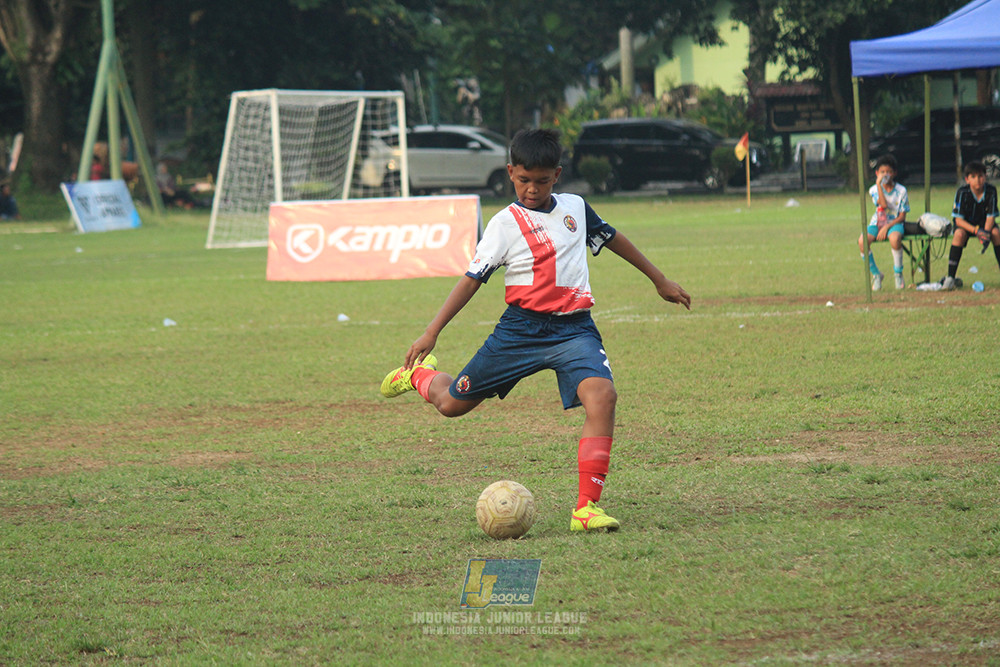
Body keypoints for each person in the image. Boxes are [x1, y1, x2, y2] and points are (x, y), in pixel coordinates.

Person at [378, 128, 691, 532]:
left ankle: (586, 509)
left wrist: (659, 280)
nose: (532, 189)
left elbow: (611, 238)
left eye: (541, 181)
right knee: (453, 404)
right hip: (520, 331)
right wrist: (431, 331)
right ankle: (418, 377)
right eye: (524, 180)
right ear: (510, 173)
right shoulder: (504, 224)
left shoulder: (576, 208)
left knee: (603, 396)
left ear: (557, 175)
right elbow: (472, 279)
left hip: (574, 330)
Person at [943, 161, 1000, 290]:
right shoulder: (962, 192)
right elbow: (958, 221)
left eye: (980, 176)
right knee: (959, 234)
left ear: (985, 177)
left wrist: (985, 232)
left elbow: (991, 216)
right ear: (967, 179)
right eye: (973, 177)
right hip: (967, 225)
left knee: (996, 233)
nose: (978, 180)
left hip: (984, 224)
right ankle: (950, 277)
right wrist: (976, 231)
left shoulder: (991, 191)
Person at [858, 154, 910, 290]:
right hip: (878, 222)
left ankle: (898, 274)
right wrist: (878, 184)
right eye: (882, 172)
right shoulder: (874, 190)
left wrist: (887, 227)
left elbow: (902, 216)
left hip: (894, 223)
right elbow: (883, 205)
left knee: (894, 239)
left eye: (889, 172)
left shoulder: (901, 191)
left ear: (894, 173)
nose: (885, 175)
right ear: (877, 173)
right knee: (862, 241)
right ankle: (876, 274)